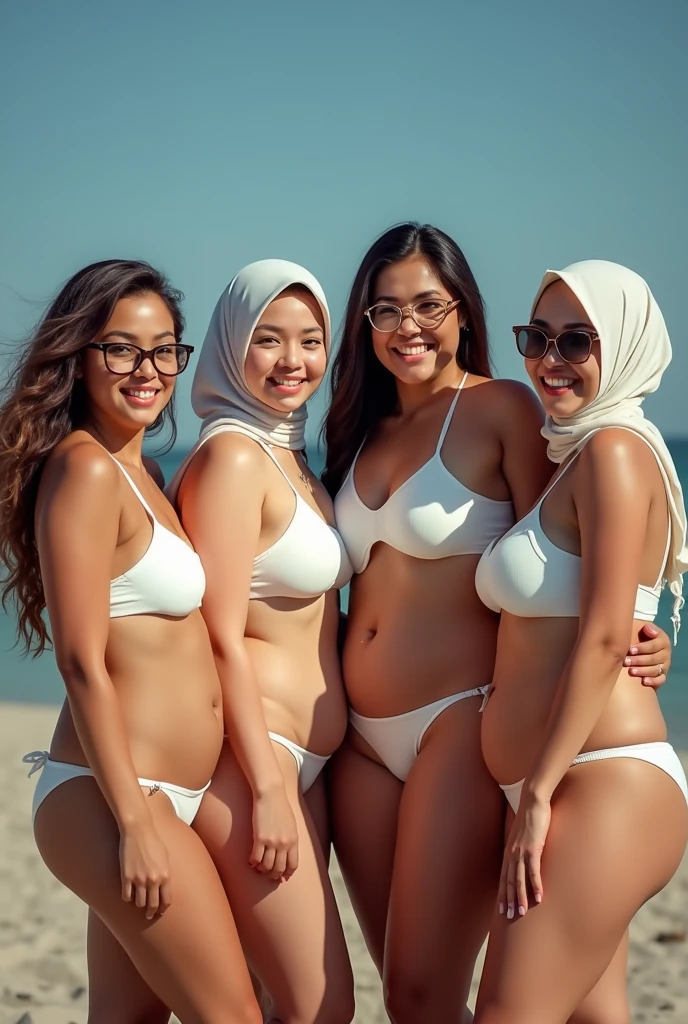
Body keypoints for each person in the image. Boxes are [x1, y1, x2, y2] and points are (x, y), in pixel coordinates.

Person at [322, 224, 673, 1023]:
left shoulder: (508, 409)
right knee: (424, 994)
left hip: (468, 725)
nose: (406, 325)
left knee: (426, 990)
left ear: (462, 311)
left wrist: (644, 629)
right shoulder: (356, 426)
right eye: (385, 309)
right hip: (359, 738)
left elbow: (579, 551)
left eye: (427, 305)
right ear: (364, 323)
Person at [0, 261, 261, 1023]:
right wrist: (137, 822)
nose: (147, 371)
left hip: (159, 796)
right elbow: (81, 662)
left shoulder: (140, 469)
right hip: (114, 798)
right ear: (78, 357)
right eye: (121, 349)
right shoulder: (84, 470)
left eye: (164, 350)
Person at [473, 260, 688, 1024]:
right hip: (563, 782)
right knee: (596, 1016)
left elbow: (602, 638)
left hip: (596, 784)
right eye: (536, 337)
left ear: (625, 345)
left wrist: (534, 795)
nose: (549, 360)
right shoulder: (577, 455)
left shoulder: (615, 452)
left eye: (577, 340)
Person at [167, 260, 355, 1024]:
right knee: (319, 1006)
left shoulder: (293, 455)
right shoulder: (233, 457)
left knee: (286, 1003)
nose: (292, 361)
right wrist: (271, 787)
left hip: (300, 762)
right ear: (230, 344)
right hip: (255, 762)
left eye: (311, 341)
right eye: (268, 340)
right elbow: (218, 639)